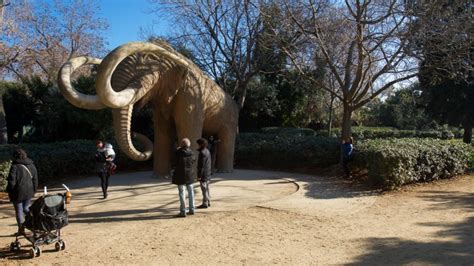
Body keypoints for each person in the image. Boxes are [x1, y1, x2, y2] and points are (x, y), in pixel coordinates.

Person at [6, 149, 38, 235]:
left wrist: (9, 190)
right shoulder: (31, 164)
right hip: (29, 191)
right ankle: (35, 225)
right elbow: (35, 179)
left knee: (19, 211)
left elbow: (12, 182)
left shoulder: (15, 166)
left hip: (17, 193)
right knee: (26, 208)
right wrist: (34, 190)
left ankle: (21, 230)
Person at [172, 138, 196, 217]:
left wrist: (177, 150)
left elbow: (174, 163)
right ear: (189, 145)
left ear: (182, 144)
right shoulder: (192, 152)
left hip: (180, 175)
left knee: (182, 193)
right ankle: (192, 209)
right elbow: (193, 161)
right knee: (191, 192)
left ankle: (183, 211)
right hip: (190, 175)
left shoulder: (177, 153)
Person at [196, 138, 212, 209]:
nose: (198, 145)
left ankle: (205, 203)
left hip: (203, 174)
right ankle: (208, 202)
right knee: (207, 188)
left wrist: (199, 175)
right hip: (207, 172)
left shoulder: (202, 153)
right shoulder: (207, 151)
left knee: (204, 189)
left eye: (198, 144)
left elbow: (201, 166)